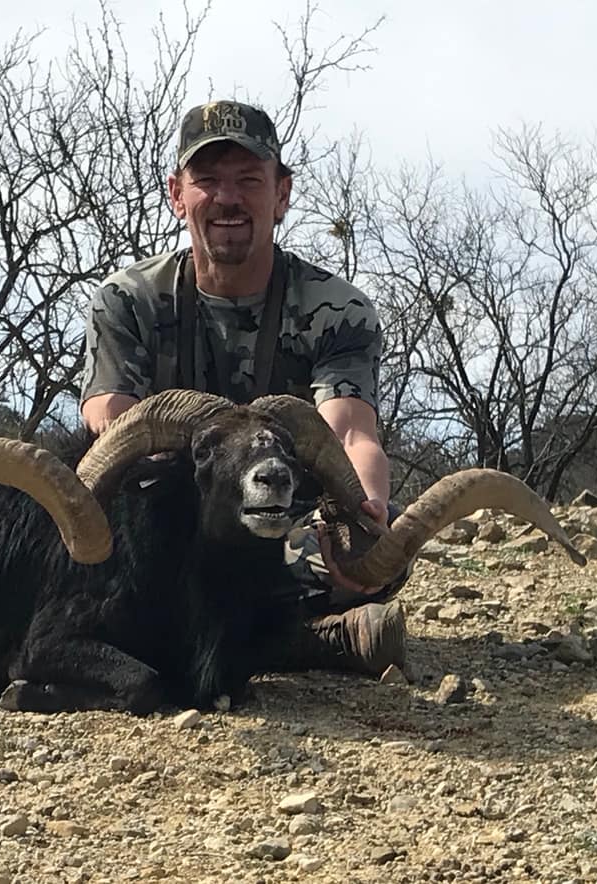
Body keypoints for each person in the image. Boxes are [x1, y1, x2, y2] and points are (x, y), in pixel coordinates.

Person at [80, 100, 407, 676]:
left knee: (379, 550)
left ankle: (226, 640)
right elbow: (110, 416)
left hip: (279, 516)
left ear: (281, 194)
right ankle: (309, 643)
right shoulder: (126, 300)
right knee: (108, 552)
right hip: (172, 522)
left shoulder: (337, 310)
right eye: (206, 180)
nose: (228, 198)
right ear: (177, 195)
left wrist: (364, 515)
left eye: (249, 180)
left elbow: (350, 429)